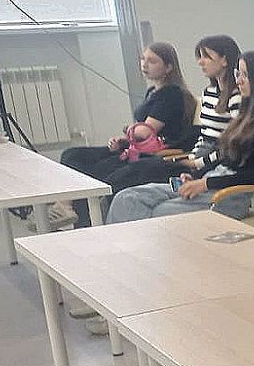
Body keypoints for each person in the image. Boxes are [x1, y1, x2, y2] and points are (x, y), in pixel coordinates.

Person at [107, 49, 254, 225]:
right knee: (127, 198)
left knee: (159, 213)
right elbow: (227, 159)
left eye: (245, 75)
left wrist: (206, 183)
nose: (239, 81)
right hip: (211, 182)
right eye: (237, 74)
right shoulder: (246, 116)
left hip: (228, 196)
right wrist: (195, 176)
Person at [55, 42, 198, 227]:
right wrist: (124, 139)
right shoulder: (152, 91)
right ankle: (66, 207)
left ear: (169, 67)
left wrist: (129, 131)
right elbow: (139, 132)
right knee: (72, 155)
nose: (144, 64)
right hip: (136, 148)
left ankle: (85, 221)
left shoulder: (172, 94)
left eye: (152, 61)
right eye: (143, 59)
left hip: (154, 153)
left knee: (98, 170)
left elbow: (144, 132)